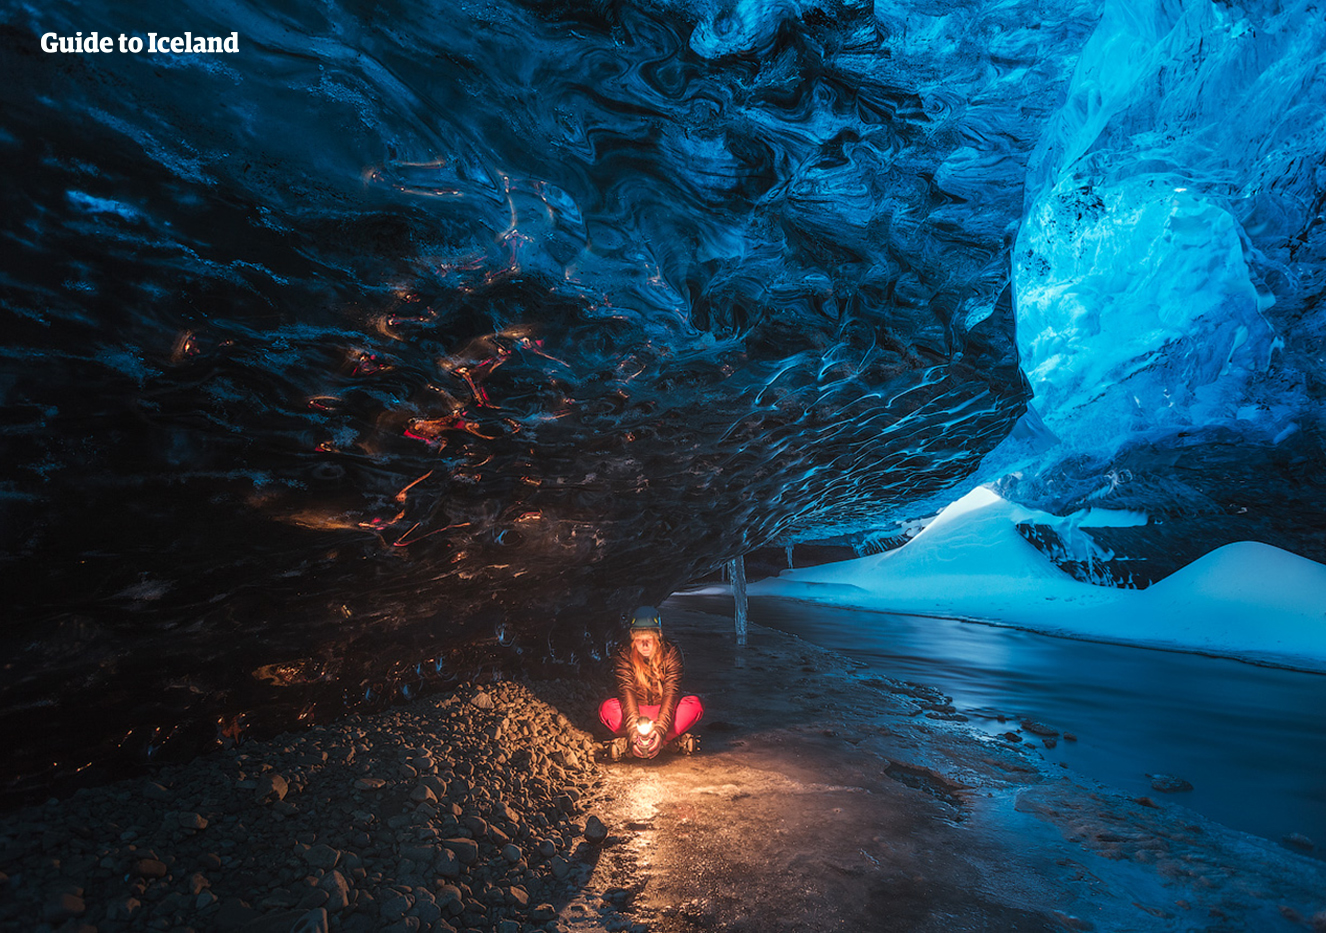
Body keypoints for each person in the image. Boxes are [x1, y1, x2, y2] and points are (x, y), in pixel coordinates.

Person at [598, 606, 704, 760]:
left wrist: (660, 729)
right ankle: (669, 742)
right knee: (607, 708)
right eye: (640, 640)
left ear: (658, 638)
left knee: (695, 705)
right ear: (633, 640)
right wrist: (634, 730)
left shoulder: (671, 652)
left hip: (665, 711)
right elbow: (626, 690)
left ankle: (637, 743)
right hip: (636, 712)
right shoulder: (624, 653)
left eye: (650, 639)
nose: (645, 645)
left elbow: (671, 691)